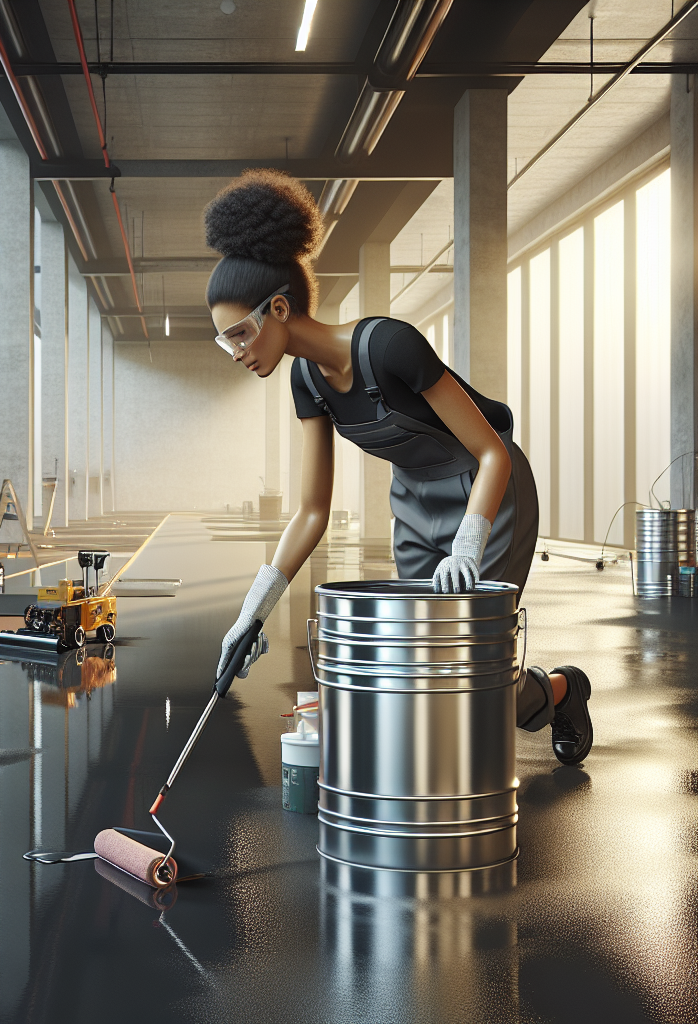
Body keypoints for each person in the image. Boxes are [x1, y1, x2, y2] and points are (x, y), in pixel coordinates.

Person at [206, 170, 592, 765]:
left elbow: (491, 449)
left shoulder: (388, 346)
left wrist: (469, 546)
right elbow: (312, 511)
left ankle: (565, 689)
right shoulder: (306, 381)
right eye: (223, 342)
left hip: (488, 494)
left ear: (278, 308)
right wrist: (251, 613)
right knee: (425, 669)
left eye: (239, 334)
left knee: (474, 682)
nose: (235, 353)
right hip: (413, 504)